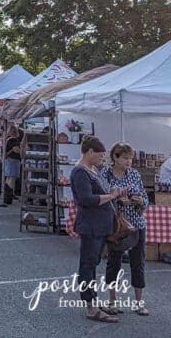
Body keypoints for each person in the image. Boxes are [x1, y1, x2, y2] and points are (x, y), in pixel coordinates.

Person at [70, 135, 123, 323]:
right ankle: (90, 306)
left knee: (92, 264)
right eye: (100, 155)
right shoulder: (80, 172)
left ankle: (92, 300)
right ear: (90, 152)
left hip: (97, 225)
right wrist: (111, 196)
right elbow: (87, 200)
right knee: (88, 264)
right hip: (91, 225)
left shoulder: (90, 170)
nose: (102, 158)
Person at [101, 142, 150, 316]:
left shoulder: (135, 174)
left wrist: (139, 201)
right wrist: (116, 199)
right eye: (125, 158)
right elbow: (102, 198)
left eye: (130, 158)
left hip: (136, 223)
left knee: (138, 262)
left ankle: (139, 303)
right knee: (114, 262)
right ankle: (112, 301)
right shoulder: (105, 173)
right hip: (116, 225)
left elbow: (145, 198)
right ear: (115, 157)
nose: (129, 161)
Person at [0, 125, 22, 207]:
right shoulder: (13, 140)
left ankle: (5, 197)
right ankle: (8, 198)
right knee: (11, 179)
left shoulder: (7, 139)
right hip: (13, 160)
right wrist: (21, 152)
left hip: (8, 160)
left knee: (8, 178)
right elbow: (16, 149)